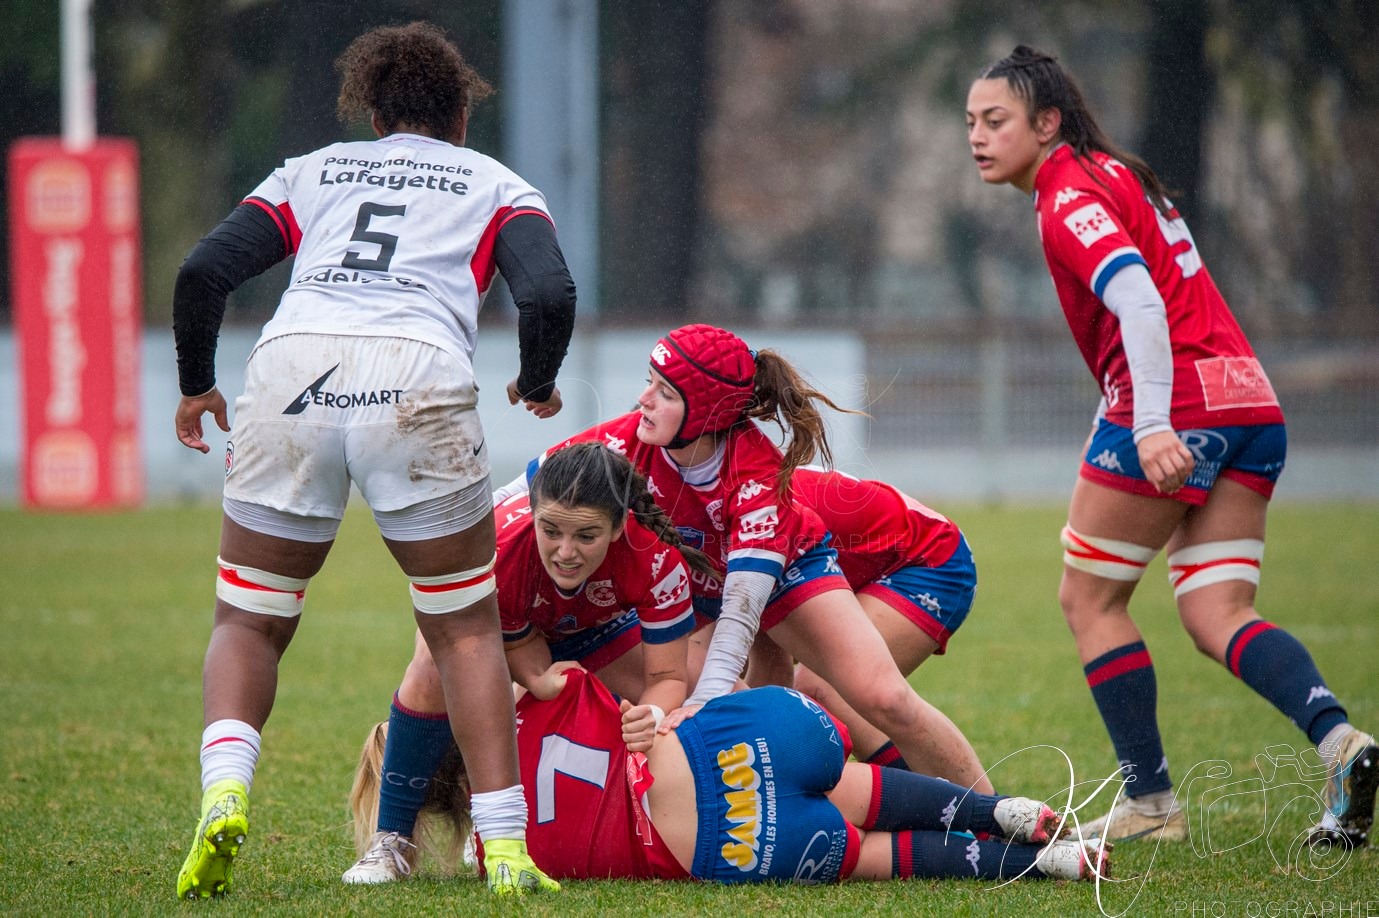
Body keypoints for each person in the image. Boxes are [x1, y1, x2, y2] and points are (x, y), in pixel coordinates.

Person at [171, 22, 575, 898]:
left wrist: (198, 385)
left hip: (292, 370)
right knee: (462, 627)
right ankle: (503, 849)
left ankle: (223, 797)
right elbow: (547, 290)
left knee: (249, 620)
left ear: (372, 111)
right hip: (414, 377)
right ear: (460, 113)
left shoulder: (312, 171)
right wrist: (537, 381)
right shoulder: (496, 183)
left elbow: (203, 272)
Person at [966, 45, 1376, 845]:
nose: (976, 137)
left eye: (994, 121)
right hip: (1246, 397)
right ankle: (1342, 744)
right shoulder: (1116, 173)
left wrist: (1149, 424)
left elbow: (1141, 304)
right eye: (971, 122)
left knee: (1088, 600)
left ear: (1045, 124)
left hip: (1179, 404)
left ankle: (1151, 805)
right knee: (1216, 609)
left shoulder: (1065, 194)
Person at [505, 324, 993, 793]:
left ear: (707, 416)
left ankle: (997, 821)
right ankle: (837, 803)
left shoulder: (756, 479)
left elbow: (742, 613)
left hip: (918, 560)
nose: (643, 401)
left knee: (852, 696)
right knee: (763, 706)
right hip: (733, 578)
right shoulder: (623, 441)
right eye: (647, 383)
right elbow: (523, 494)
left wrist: (703, 701)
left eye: (666, 393)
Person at [349, 666, 1110, 884]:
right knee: (868, 790)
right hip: (740, 742)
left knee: (884, 856)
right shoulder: (542, 687)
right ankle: (999, 808)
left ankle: (1050, 865)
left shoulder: (494, 855)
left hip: (723, 840)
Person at [342, 441, 715, 883]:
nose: (565, 551)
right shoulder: (498, 545)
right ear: (533, 513)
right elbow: (498, 643)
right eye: (551, 530)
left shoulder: (654, 558)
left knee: (715, 695)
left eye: (586, 536)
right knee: (431, 664)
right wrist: (536, 679)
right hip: (506, 630)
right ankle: (394, 840)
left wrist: (650, 713)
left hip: (597, 634)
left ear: (618, 527)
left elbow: (668, 675)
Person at [754, 467, 978, 771]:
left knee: (824, 686)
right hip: (890, 557)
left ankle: (982, 811)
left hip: (930, 559)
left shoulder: (750, 511)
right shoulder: (732, 499)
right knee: (781, 691)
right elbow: (769, 676)